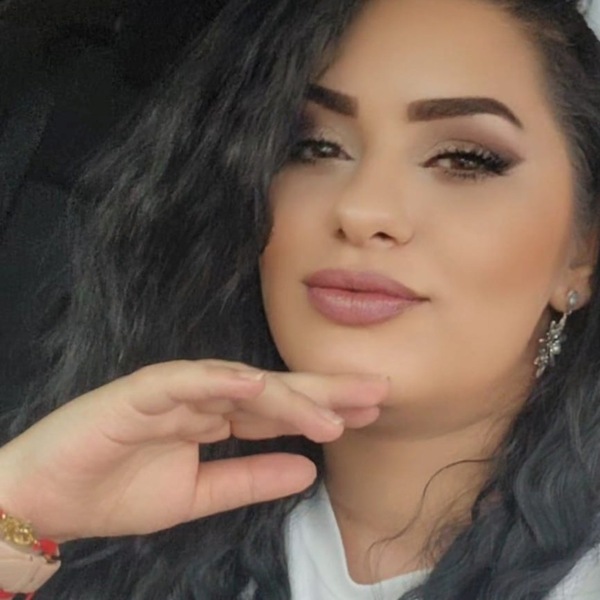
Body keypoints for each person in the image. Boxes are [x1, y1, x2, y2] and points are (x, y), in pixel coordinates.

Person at [1, 0, 600, 598]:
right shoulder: (127, 530)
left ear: (583, 249)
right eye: (313, 148)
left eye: (465, 160)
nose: (361, 210)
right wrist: (21, 512)